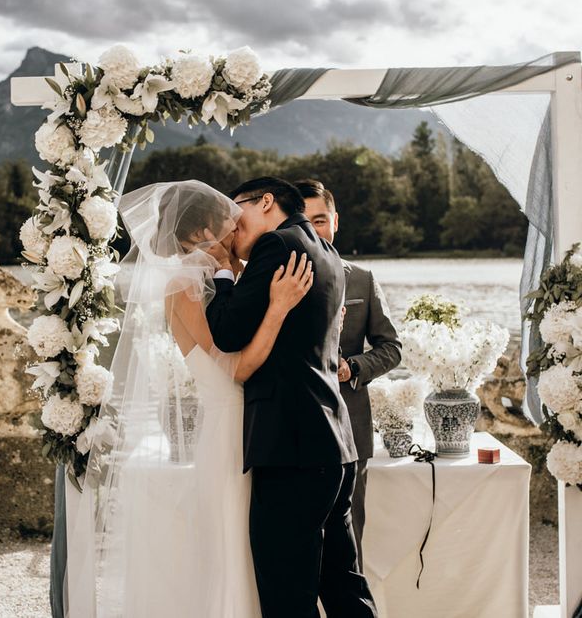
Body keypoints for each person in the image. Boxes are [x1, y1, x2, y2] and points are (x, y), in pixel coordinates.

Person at [69, 180, 313, 618]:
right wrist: (278, 309)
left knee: (259, 548)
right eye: (231, 221)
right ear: (205, 231)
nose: (240, 228)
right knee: (234, 545)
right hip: (229, 431)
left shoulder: (223, 277)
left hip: (252, 424)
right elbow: (233, 368)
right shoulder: (186, 284)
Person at [206, 177, 377, 618]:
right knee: (343, 585)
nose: (231, 224)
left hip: (292, 450)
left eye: (234, 210)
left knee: (287, 596)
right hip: (335, 445)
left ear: (265, 202)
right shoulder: (328, 252)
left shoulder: (276, 246)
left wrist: (223, 274)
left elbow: (226, 333)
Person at [295, 178, 401, 571]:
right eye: (304, 221)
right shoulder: (275, 280)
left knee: (348, 535)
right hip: (293, 426)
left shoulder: (362, 280)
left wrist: (353, 367)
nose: (313, 230)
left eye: (320, 220)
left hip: (350, 424)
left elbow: (392, 347)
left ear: (335, 221)